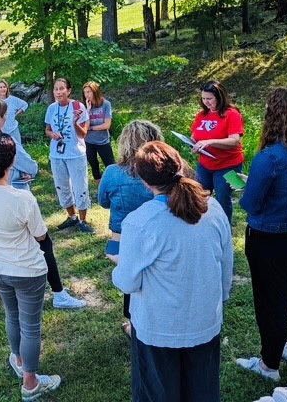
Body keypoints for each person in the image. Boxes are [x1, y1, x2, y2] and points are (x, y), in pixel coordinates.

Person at [112, 141, 233, 402]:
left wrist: (120, 262)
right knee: (203, 392)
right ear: (180, 165)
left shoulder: (140, 222)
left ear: (144, 181)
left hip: (158, 328)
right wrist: (220, 299)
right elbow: (226, 264)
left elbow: (127, 282)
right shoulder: (214, 209)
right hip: (205, 320)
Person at [0, 133, 62, 401]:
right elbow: (41, 235)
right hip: (28, 270)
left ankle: (19, 360)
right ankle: (30, 383)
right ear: (12, 162)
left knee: (12, 314)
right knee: (30, 326)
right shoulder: (22, 199)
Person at [0, 98, 86, 309]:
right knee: (43, 243)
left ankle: (20, 292)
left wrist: (14, 173)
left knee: (11, 245)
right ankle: (59, 294)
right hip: (16, 197)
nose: (7, 117)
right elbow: (32, 167)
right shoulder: (6, 141)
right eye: (4, 114)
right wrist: (20, 173)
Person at [236, 87, 287, 382]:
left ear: (274, 115)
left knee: (270, 300)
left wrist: (249, 187)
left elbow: (251, 203)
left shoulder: (270, 157)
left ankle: (269, 364)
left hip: (267, 239)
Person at [98, 120, 163, 336]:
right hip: (158, 234)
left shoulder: (112, 172)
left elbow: (103, 202)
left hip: (122, 237)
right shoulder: (162, 173)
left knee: (131, 277)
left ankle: (134, 323)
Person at [44, 77, 94, 233]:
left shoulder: (78, 107)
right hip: (57, 155)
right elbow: (47, 129)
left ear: (69, 90)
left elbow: (83, 134)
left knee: (80, 186)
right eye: (56, 89)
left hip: (75, 154)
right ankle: (72, 217)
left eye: (62, 89)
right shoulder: (52, 108)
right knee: (62, 187)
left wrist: (76, 123)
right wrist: (52, 134)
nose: (59, 92)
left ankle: (83, 220)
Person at [190, 80, 244, 222]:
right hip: (205, 164)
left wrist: (209, 142)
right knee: (199, 196)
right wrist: (194, 144)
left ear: (220, 97)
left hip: (229, 165)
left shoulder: (232, 114)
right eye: (203, 98)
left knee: (223, 199)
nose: (206, 102)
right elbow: (195, 135)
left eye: (209, 98)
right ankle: (202, 225)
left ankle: (225, 230)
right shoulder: (202, 115)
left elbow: (234, 140)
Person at [82, 81, 114, 187]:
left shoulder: (106, 104)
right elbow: (83, 125)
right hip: (89, 141)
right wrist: (88, 110)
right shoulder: (85, 107)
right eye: (85, 92)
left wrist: (90, 128)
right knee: (94, 165)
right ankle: (100, 188)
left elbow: (106, 125)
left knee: (110, 166)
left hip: (103, 141)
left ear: (95, 91)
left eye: (89, 92)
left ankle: (114, 185)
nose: (87, 95)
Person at [0, 79, 28, 144]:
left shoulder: (13, 99)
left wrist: (16, 113)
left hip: (13, 129)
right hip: (1, 132)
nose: (3, 89)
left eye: (4, 87)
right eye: (0, 87)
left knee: (18, 149)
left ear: (7, 88)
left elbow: (25, 104)